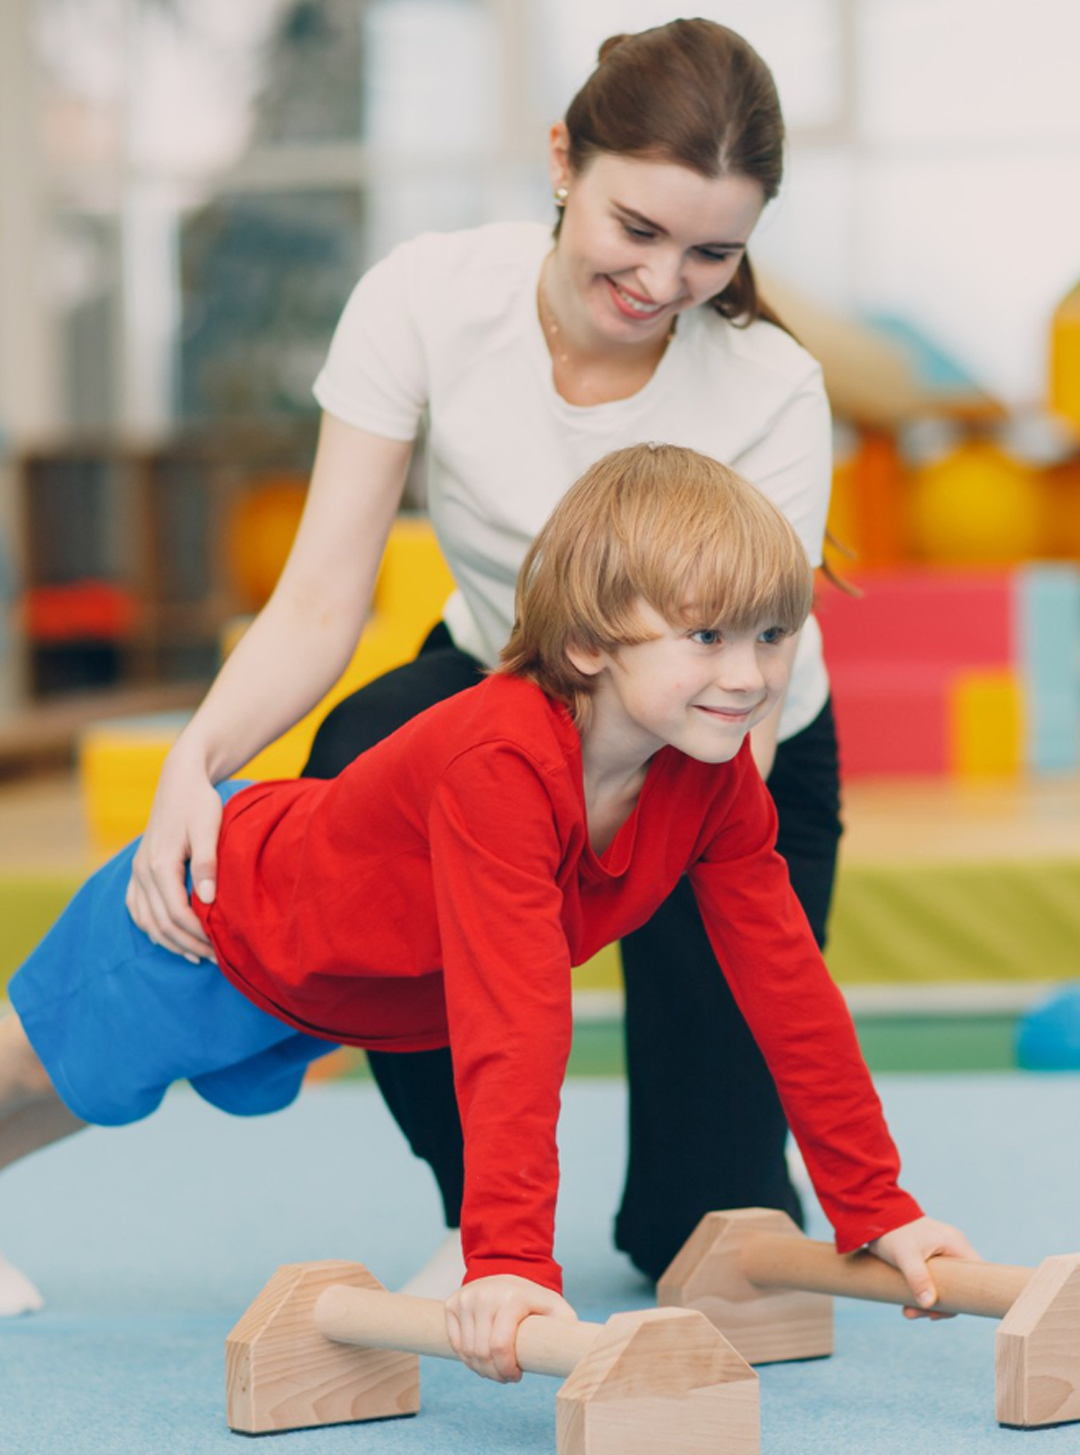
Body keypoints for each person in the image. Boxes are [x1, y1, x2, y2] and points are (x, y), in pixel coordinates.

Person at [121, 17, 841, 1297]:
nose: (666, 278)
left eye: (712, 251)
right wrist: (197, 761)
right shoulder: (427, 296)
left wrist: (603, 857)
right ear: (564, 158)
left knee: (700, 1235)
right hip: (510, 693)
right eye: (638, 229)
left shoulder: (771, 384)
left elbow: (753, 690)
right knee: (361, 761)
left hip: (716, 745)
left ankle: (698, 1192)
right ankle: (482, 1215)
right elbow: (318, 599)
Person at [0, 446, 974, 1377]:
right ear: (588, 641)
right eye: (706, 637)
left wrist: (875, 1206)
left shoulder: (710, 783)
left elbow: (788, 988)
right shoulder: (503, 758)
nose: (749, 677)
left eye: (772, 636)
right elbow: (515, 1011)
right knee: (35, 1071)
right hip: (214, 926)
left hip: (345, 991)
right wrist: (508, 1261)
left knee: (84, 1091)